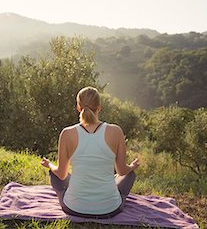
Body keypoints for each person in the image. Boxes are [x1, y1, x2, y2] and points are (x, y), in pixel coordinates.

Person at [40, 86, 140, 218]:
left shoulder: (67, 133)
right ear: (99, 107)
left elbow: (62, 174)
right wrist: (132, 166)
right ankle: (111, 195)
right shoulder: (116, 131)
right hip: (110, 209)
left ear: (78, 107)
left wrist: (50, 165)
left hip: (73, 208)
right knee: (130, 175)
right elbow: (122, 171)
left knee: (55, 175)